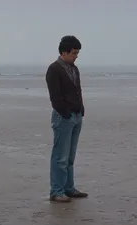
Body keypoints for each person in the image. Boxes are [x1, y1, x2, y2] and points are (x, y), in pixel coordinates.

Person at [45, 35, 88, 202]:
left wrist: (81, 110)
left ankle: (69, 188)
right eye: (74, 52)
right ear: (64, 52)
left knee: (70, 157)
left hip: (76, 116)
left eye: (77, 52)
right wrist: (66, 113)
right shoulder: (54, 69)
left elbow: (78, 90)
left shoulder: (74, 68)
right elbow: (55, 97)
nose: (76, 55)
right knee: (60, 157)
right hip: (63, 117)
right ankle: (56, 191)